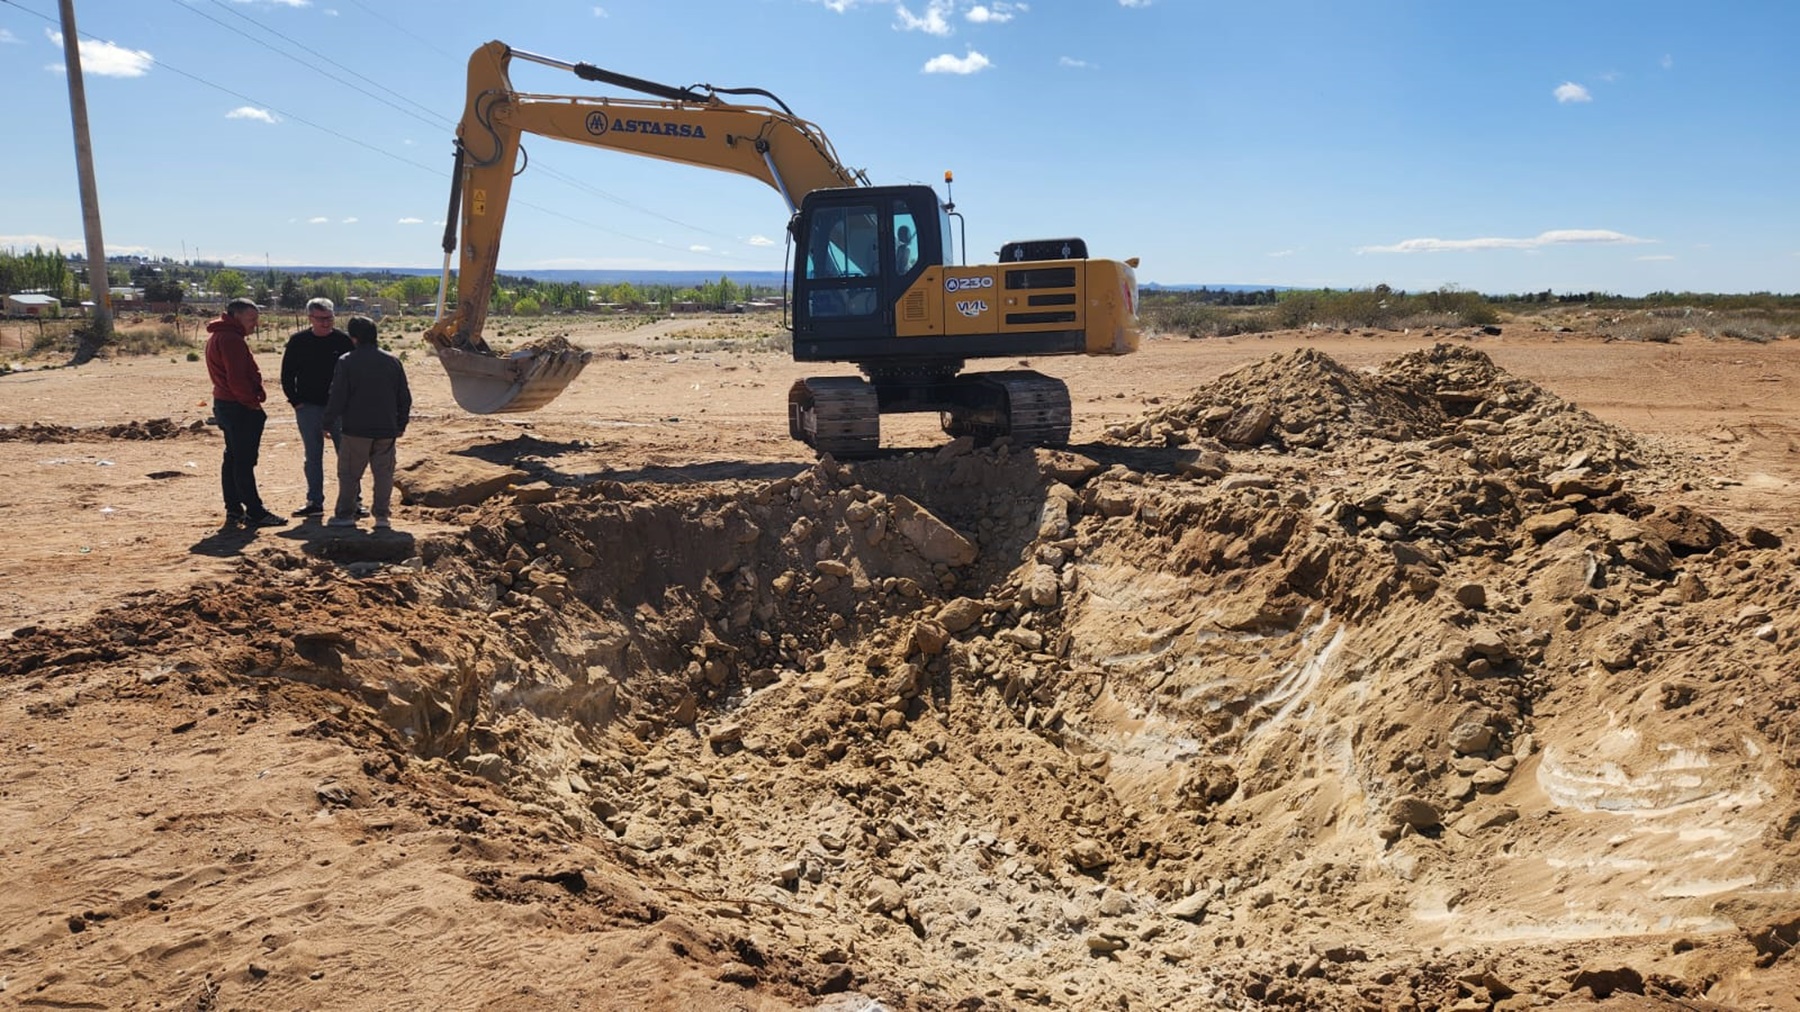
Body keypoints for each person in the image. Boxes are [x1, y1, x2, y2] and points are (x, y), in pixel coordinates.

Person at [322, 315, 411, 531]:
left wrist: (327, 421)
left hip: (356, 429)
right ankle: (382, 517)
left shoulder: (347, 361)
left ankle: (345, 514)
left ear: (353, 338)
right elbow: (404, 397)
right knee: (383, 475)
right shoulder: (392, 361)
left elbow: (338, 396)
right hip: (386, 428)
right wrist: (401, 424)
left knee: (350, 474)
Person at [205, 298, 285, 528]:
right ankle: (255, 512)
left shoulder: (219, 336)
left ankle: (233, 509)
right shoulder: (231, 339)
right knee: (243, 461)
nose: (255, 324)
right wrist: (252, 403)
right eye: (251, 319)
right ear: (236, 316)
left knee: (232, 458)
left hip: (225, 404)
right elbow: (237, 379)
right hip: (238, 407)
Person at [279, 297, 354, 517]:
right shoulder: (298, 342)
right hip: (308, 407)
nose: (326, 322)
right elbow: (287, 375)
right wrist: (296, 402)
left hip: (340, 409)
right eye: (321, 318)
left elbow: (354, 374)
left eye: (329, 318)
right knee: (313, 456)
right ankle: (314, 502)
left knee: (347, 456)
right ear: (310, 318)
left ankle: (352, 502)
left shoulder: (343, 341)